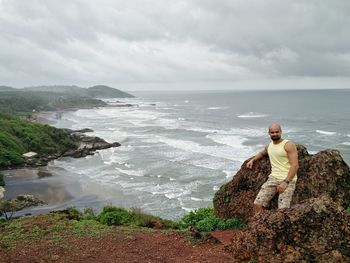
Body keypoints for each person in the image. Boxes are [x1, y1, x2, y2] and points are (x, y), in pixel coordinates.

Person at [246, 123, 299, 214]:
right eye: (272, 132)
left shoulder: (288, 145)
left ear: (281, 132)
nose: (275, 134)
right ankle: (260, 223)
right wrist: (252, 160)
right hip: (273, 178)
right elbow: (262, 153)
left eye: (277, 132)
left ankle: (281, 227)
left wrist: (285, 182)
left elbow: (295, 165)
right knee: (257, 204)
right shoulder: (269, 146)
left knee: (282, 211)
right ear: (269, 133)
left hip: (287, 180)